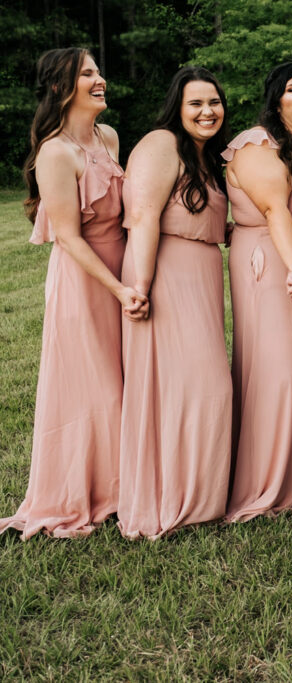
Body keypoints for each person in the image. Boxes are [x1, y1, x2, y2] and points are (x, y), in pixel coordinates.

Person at [1, 48, 145, 539]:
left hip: (122, 270)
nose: (100, 79)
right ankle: (97, 491)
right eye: (88, 73)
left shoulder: (109, 137)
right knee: (95, 385)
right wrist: (119, 288)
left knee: (125, 380)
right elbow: (67, 236)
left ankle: (131, 481)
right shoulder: (55, 153)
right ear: (63, 88)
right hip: (85, 281)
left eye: (99, 70)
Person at [117, 66, 233, 539]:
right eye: (196, 103)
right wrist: (139, 286)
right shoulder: (160, 144)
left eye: (214, 102)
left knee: (196, 389)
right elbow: (143, 216)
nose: (208, 111)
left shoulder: (206, 158)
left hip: (202, 277)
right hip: (164, 276)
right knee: (202, 388)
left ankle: (198, 497)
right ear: (177, 108)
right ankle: (173, 498)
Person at [222, 62, 292, 523]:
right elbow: (274, 211)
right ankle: (268, 479)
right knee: (279, 368)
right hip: (273, 264)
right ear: (276, 98)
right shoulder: (258, 143)